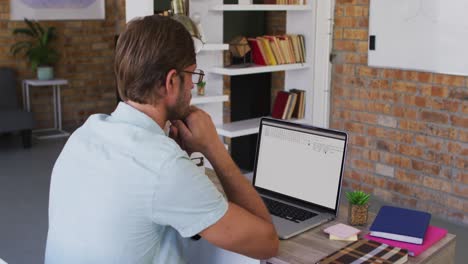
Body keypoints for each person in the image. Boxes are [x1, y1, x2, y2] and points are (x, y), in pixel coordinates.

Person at [45, 15, 279, 264]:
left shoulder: (84, 134)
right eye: (192, 75)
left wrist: (176, 158)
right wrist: (213, 148)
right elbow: (267, 243)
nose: (192, 86)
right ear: (171, 82)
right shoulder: (163, 167)